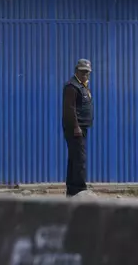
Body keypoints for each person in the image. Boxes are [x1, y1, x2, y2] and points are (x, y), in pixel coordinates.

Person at [62, 58, 93, 197]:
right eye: (82, 72)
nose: (85, 74)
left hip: (81, 128)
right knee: (80, 158)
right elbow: (70, 108)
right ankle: (80, 189)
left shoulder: (83, 86)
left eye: (87, 72)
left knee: (74, 158)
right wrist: (76, 127)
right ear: (76, 71)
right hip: (76, 129)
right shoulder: (72, 86)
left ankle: (72, 189)